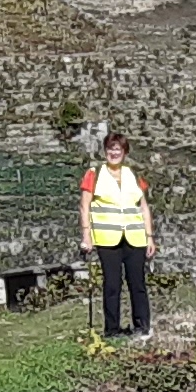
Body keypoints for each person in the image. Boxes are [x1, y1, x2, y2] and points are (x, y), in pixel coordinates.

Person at [81, 132, 154, 342]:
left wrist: (149, 236)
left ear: (124, 152)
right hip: (107, 238)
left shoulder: (133, 175)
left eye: (118, 149)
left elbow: (143, 207)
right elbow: (84, 206)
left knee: (137, 283)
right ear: (106, 151)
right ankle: (112, 330)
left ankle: (142, 326)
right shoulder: (94, 174)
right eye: (111, 148)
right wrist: (87, 235)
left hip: (135, 237)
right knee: (112, 284)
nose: (114, 152)